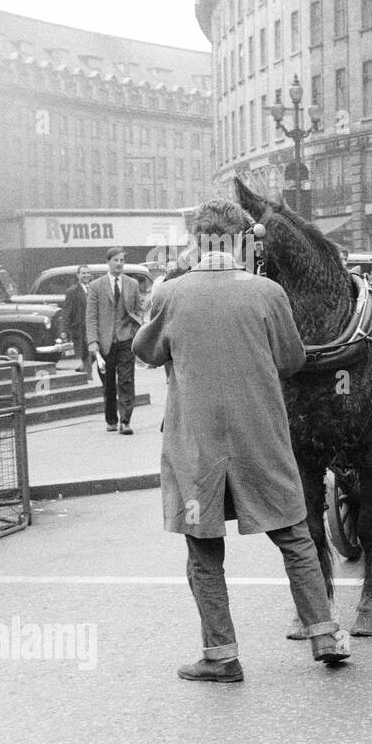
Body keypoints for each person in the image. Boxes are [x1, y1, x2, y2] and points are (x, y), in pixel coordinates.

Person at [133, 199, 352, 682]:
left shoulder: (171, 294)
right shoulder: (268, 293)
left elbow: (145, 351)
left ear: (198, 240)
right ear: (241, 242)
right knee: (294, 537)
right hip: (262, 439)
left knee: (204, 550)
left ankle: (222, 656)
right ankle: (326, 635)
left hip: (198, 448)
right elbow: (292, 359)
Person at [85, 246, 142, 434]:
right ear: (108, 262)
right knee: (109, 383)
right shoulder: (95, 286)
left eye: (122, 260)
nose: (119, 264)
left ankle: (125, 421)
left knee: (126, 381)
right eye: (116, 260)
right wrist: (93, 342)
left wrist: (135, 330)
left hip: (126, 340)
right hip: (104, 343)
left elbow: (138, 310)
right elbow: (91, 316)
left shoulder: (132, 284)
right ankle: (111, 419)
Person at [64, 265, 93, 375]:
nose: (86, 275)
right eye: (83, 273)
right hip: (79, 329)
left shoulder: (94, 288)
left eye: (88, 273)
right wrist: (65, 332)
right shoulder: (72, 291)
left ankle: (85, 373)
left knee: (93, 354)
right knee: (83, 355)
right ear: (78, 275)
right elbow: (67, 312)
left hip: (93, 328)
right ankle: (86, 378)